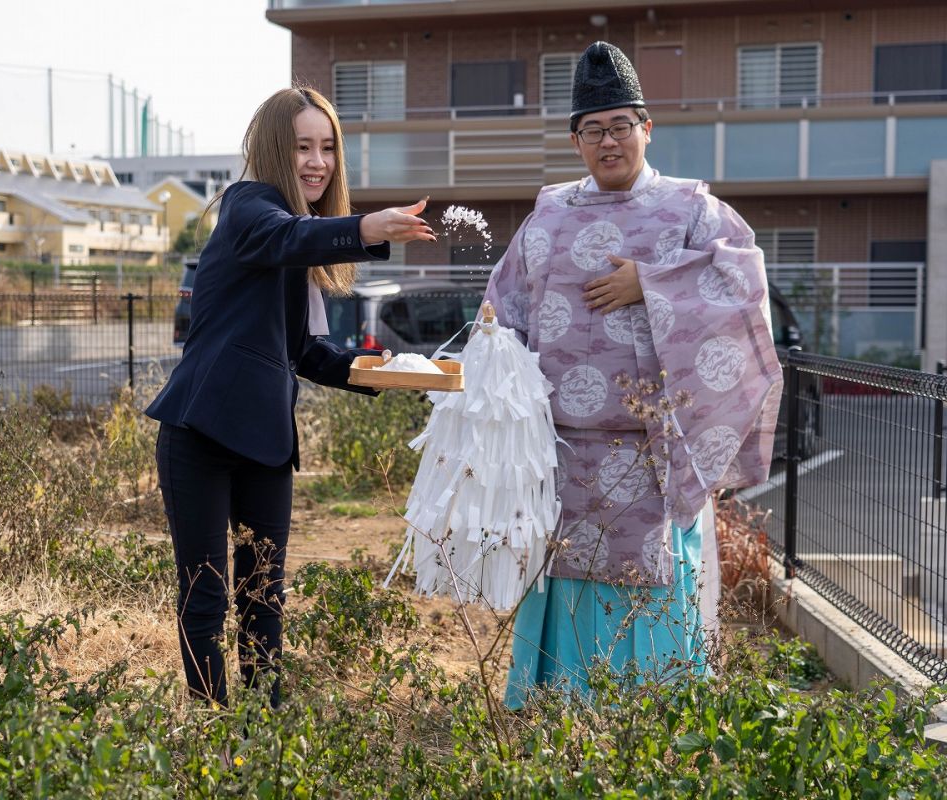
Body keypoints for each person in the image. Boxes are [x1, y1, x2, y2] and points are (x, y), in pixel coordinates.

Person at [483, 42, 782, 704]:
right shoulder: (550, 213)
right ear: (575, 139)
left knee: (652, 584)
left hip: (651, 453)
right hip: (560, 449)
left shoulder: (692, 211)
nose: (609, 141)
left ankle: (652, 710)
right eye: (594, 130)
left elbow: (742, 286)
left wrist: (652, 283)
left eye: (621, 125)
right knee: (564, 576)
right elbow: (505, 300)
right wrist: (488, 330)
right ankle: (559, 706)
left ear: (647, 128)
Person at [146, 86, 435, 707]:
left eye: (327, 148)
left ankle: (267, 738)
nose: (318, 161)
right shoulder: (251, 210)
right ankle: (208, 729)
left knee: (265, 598)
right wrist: (365, 228)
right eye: (303, 146)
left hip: (267, 442)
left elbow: (305, 350)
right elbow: (284, 238)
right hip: (198, 435)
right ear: (276, 149)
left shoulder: (296, 234)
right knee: (206, 595)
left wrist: (387, 370)